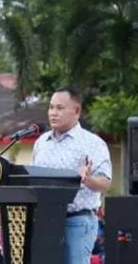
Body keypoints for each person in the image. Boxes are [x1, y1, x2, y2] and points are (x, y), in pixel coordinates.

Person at [32, 87, 112, 264]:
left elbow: (105, 182)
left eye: (60, 108)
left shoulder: (92, 143)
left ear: (77, 111)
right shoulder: (41, 143)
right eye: (51, 107)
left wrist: (88, 179)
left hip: (76, 220)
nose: (53, 113)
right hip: (46, 222)